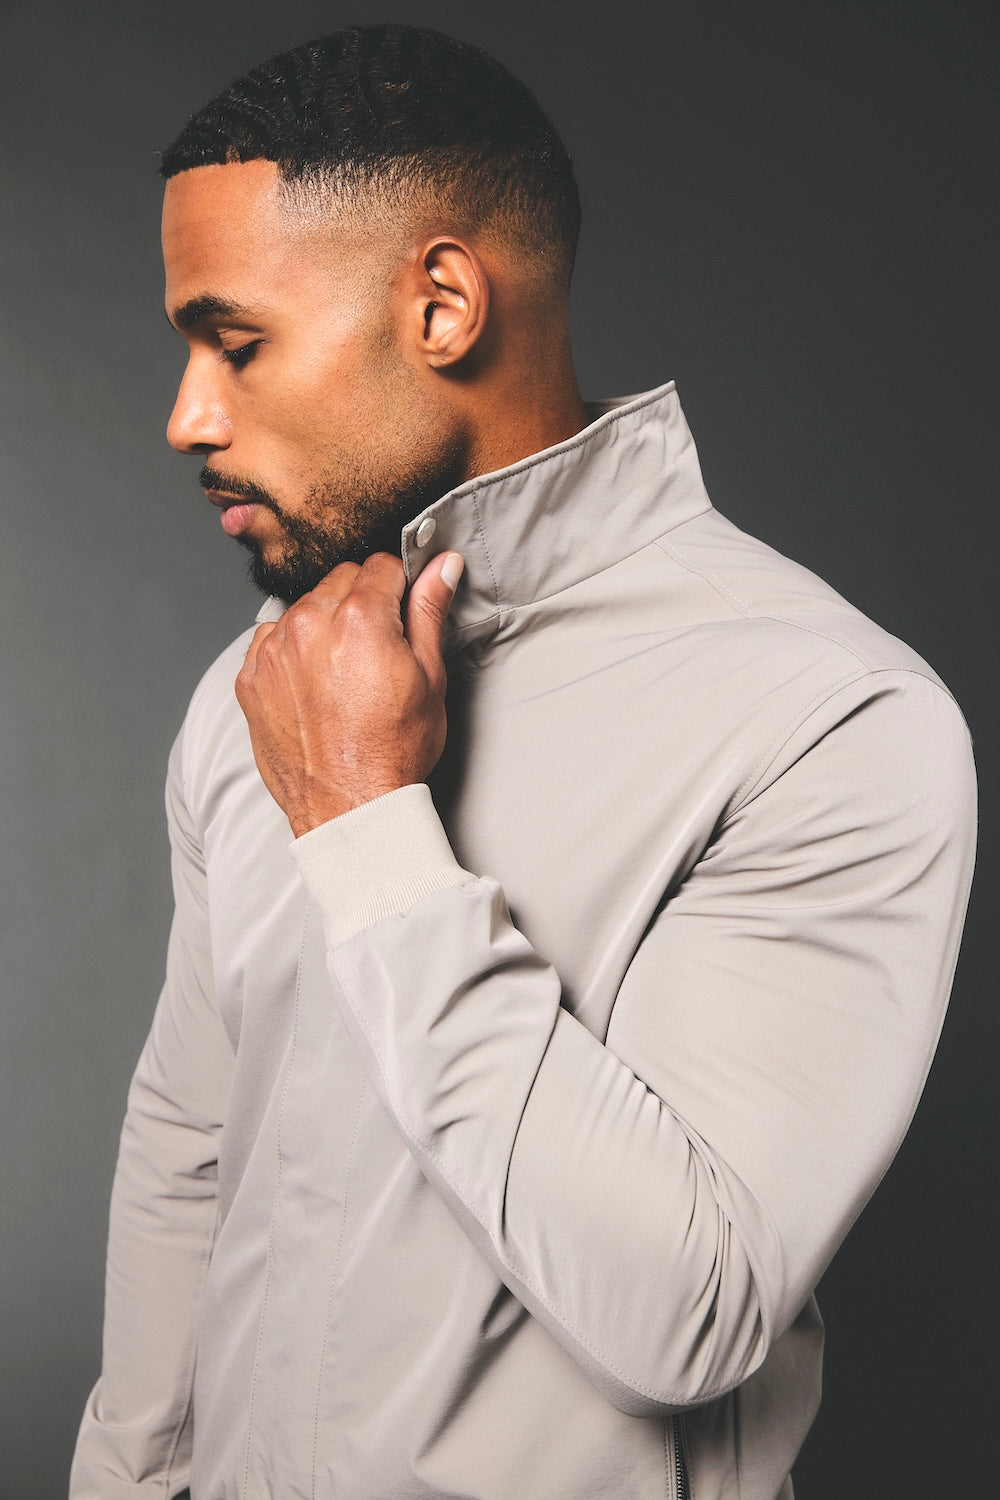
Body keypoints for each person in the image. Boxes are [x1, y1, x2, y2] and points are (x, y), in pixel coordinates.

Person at [70, 23, 976, 1500]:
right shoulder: (260, 689)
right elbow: (190, 1153)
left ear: (441, 305)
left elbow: (692, 1310)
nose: (188, 416)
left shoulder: (829, 713)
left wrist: (368, 827)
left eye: (235, 344)